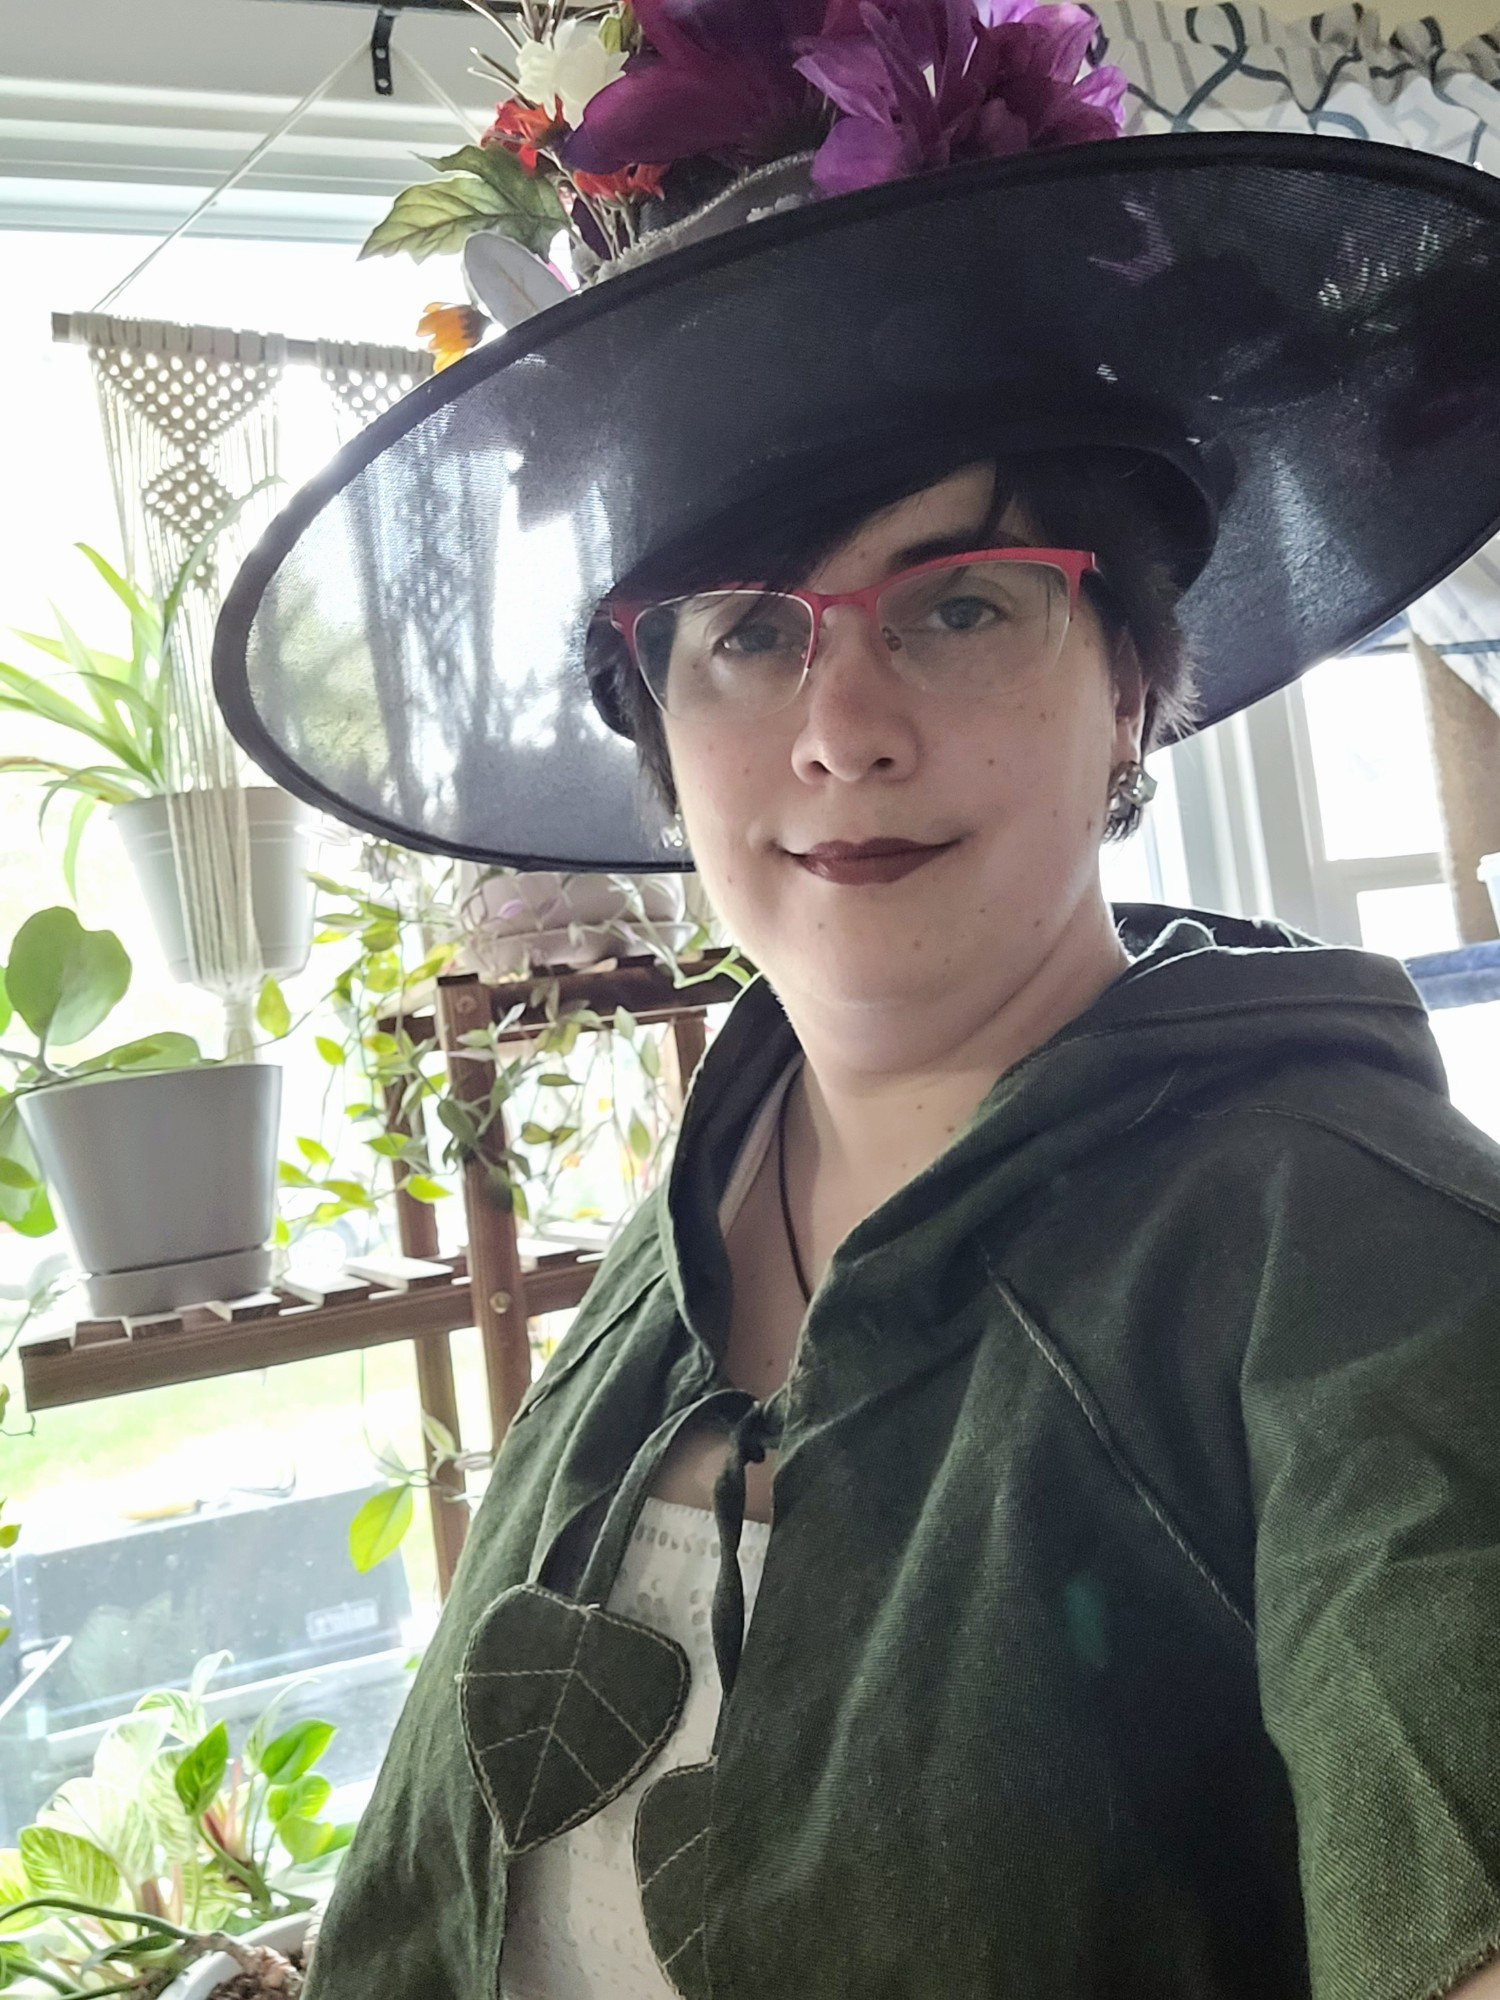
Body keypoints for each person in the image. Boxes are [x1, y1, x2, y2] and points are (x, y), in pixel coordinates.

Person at [214, 8, 1500, 1991]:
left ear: (1135, 679)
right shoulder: (684, 1227)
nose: (843, 731)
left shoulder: (1351, 1240)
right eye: (745, 632)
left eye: (962, 602)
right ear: (655, 716)